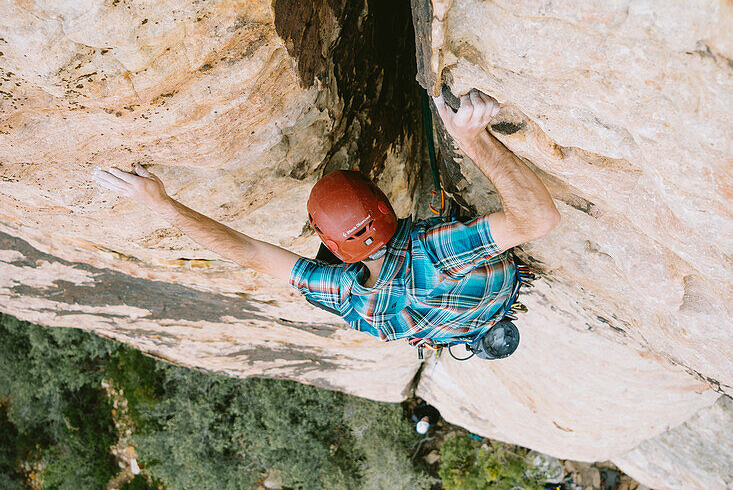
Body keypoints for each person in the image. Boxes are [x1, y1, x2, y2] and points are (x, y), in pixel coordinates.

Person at [92, 90, 559, 355]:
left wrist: (162, 206)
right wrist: (473, 140)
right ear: (386, 208)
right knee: (335, 296)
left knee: (335, 299)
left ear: (332, 246)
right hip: (482, 300)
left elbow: (250, 253)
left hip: (432, 323)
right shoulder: (435, 250)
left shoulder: (350, 298)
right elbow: (536, 218)